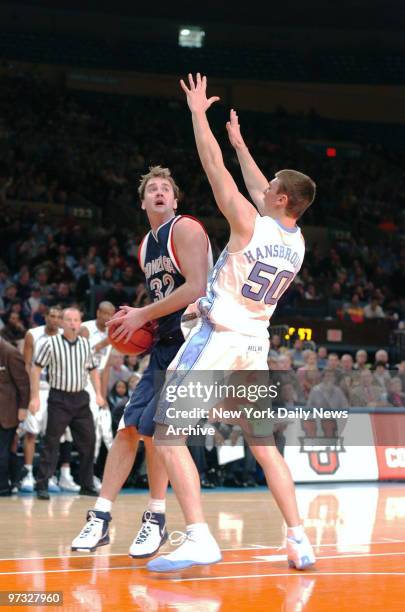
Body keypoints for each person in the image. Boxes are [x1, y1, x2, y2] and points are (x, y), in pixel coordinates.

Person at [147, 73, 316, 572]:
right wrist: (241, 142)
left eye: (273, 189)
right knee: (264, 446)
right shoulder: (296, 240)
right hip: (254, 344)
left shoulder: (247, 223)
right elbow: (260, 183)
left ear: (280, 199)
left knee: (167, 431)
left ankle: (199, 536)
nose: (264, 189)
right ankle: (299, 540)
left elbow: (213, 167)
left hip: (218, 336)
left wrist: (201, 116)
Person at [71, 165, 212, 556]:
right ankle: (100, 516)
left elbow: (196, 287)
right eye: (152, 189)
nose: (159, 192)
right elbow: (165, 295)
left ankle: (156, 518)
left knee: (156, 432)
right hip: (165, 344)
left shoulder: (185, 228)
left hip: (193, 344)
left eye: (166, 188)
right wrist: (143, 315)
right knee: (128, 428)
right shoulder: (145, 245)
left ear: (176, 199)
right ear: (143, 201)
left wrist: (142, 315)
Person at [29, 307, 105, 500]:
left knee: (89, 442)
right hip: (59, 398)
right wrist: (35, 397)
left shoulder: (86, 345)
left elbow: (93, 370)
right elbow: (36, 369)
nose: (72, 324)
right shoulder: (51, 343)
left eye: (76, 320)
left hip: (80, 399)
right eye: (69, 320)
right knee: (51, 442)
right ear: (62, 323)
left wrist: (99, 394)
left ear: (80, 323)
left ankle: (86, 484)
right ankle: (42, 485)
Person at [19, 306, 78, 493]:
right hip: (37, 389)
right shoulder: (32, 334)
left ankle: (50, 475)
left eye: (59, 317)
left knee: (53, 435)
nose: (55, 319)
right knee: (31, 432)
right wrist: (31, 393)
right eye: (52, 316)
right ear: (45, 317)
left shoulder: (64, 335)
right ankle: (27, 474)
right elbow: (27, 365)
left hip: (56, 391)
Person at [80, 301, 116, 490]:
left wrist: (103, 396)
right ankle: (86, 476)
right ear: (98, 313)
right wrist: (102, 343)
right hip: (81, 381)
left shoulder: (113, 333)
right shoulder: (85, 328)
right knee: (91, 430)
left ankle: (101, 475)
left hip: (97, 386)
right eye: (105, 313)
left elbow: (106, 368)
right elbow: (79, 357)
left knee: (106, 432)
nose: (108, 317)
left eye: (112, 314)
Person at [0, 338, 30, 495]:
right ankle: (15, 480)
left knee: (3, 450)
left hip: (6, 412)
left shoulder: (10, 353)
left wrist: (23, 407)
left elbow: (24, 383)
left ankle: (3, 487)